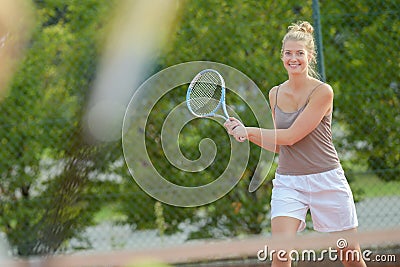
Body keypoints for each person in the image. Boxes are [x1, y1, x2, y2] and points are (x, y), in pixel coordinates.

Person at [224, 21, 367, 267]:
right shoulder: (275, 93)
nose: (294, 58)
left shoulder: (323, 92)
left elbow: (291, 136)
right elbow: (280, 145)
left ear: (310, 56)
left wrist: (249, 130)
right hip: (289, 183)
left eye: (299, 53)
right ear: (282, 57)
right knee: (280, 255)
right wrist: (246, 134)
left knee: (350, 256)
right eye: (288, 53)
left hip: (327, 180)